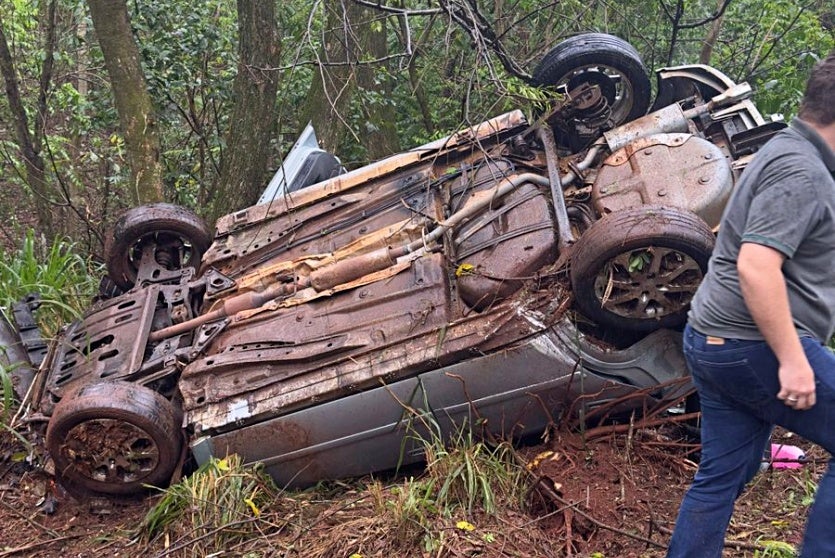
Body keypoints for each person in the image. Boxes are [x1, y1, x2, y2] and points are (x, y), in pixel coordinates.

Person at [667, 51, 835, 558]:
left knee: (724, 475)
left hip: (715, 343)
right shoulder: (802, 173)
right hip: (751, 344)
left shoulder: (786, 149)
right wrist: (793, 360)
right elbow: (757, 267)